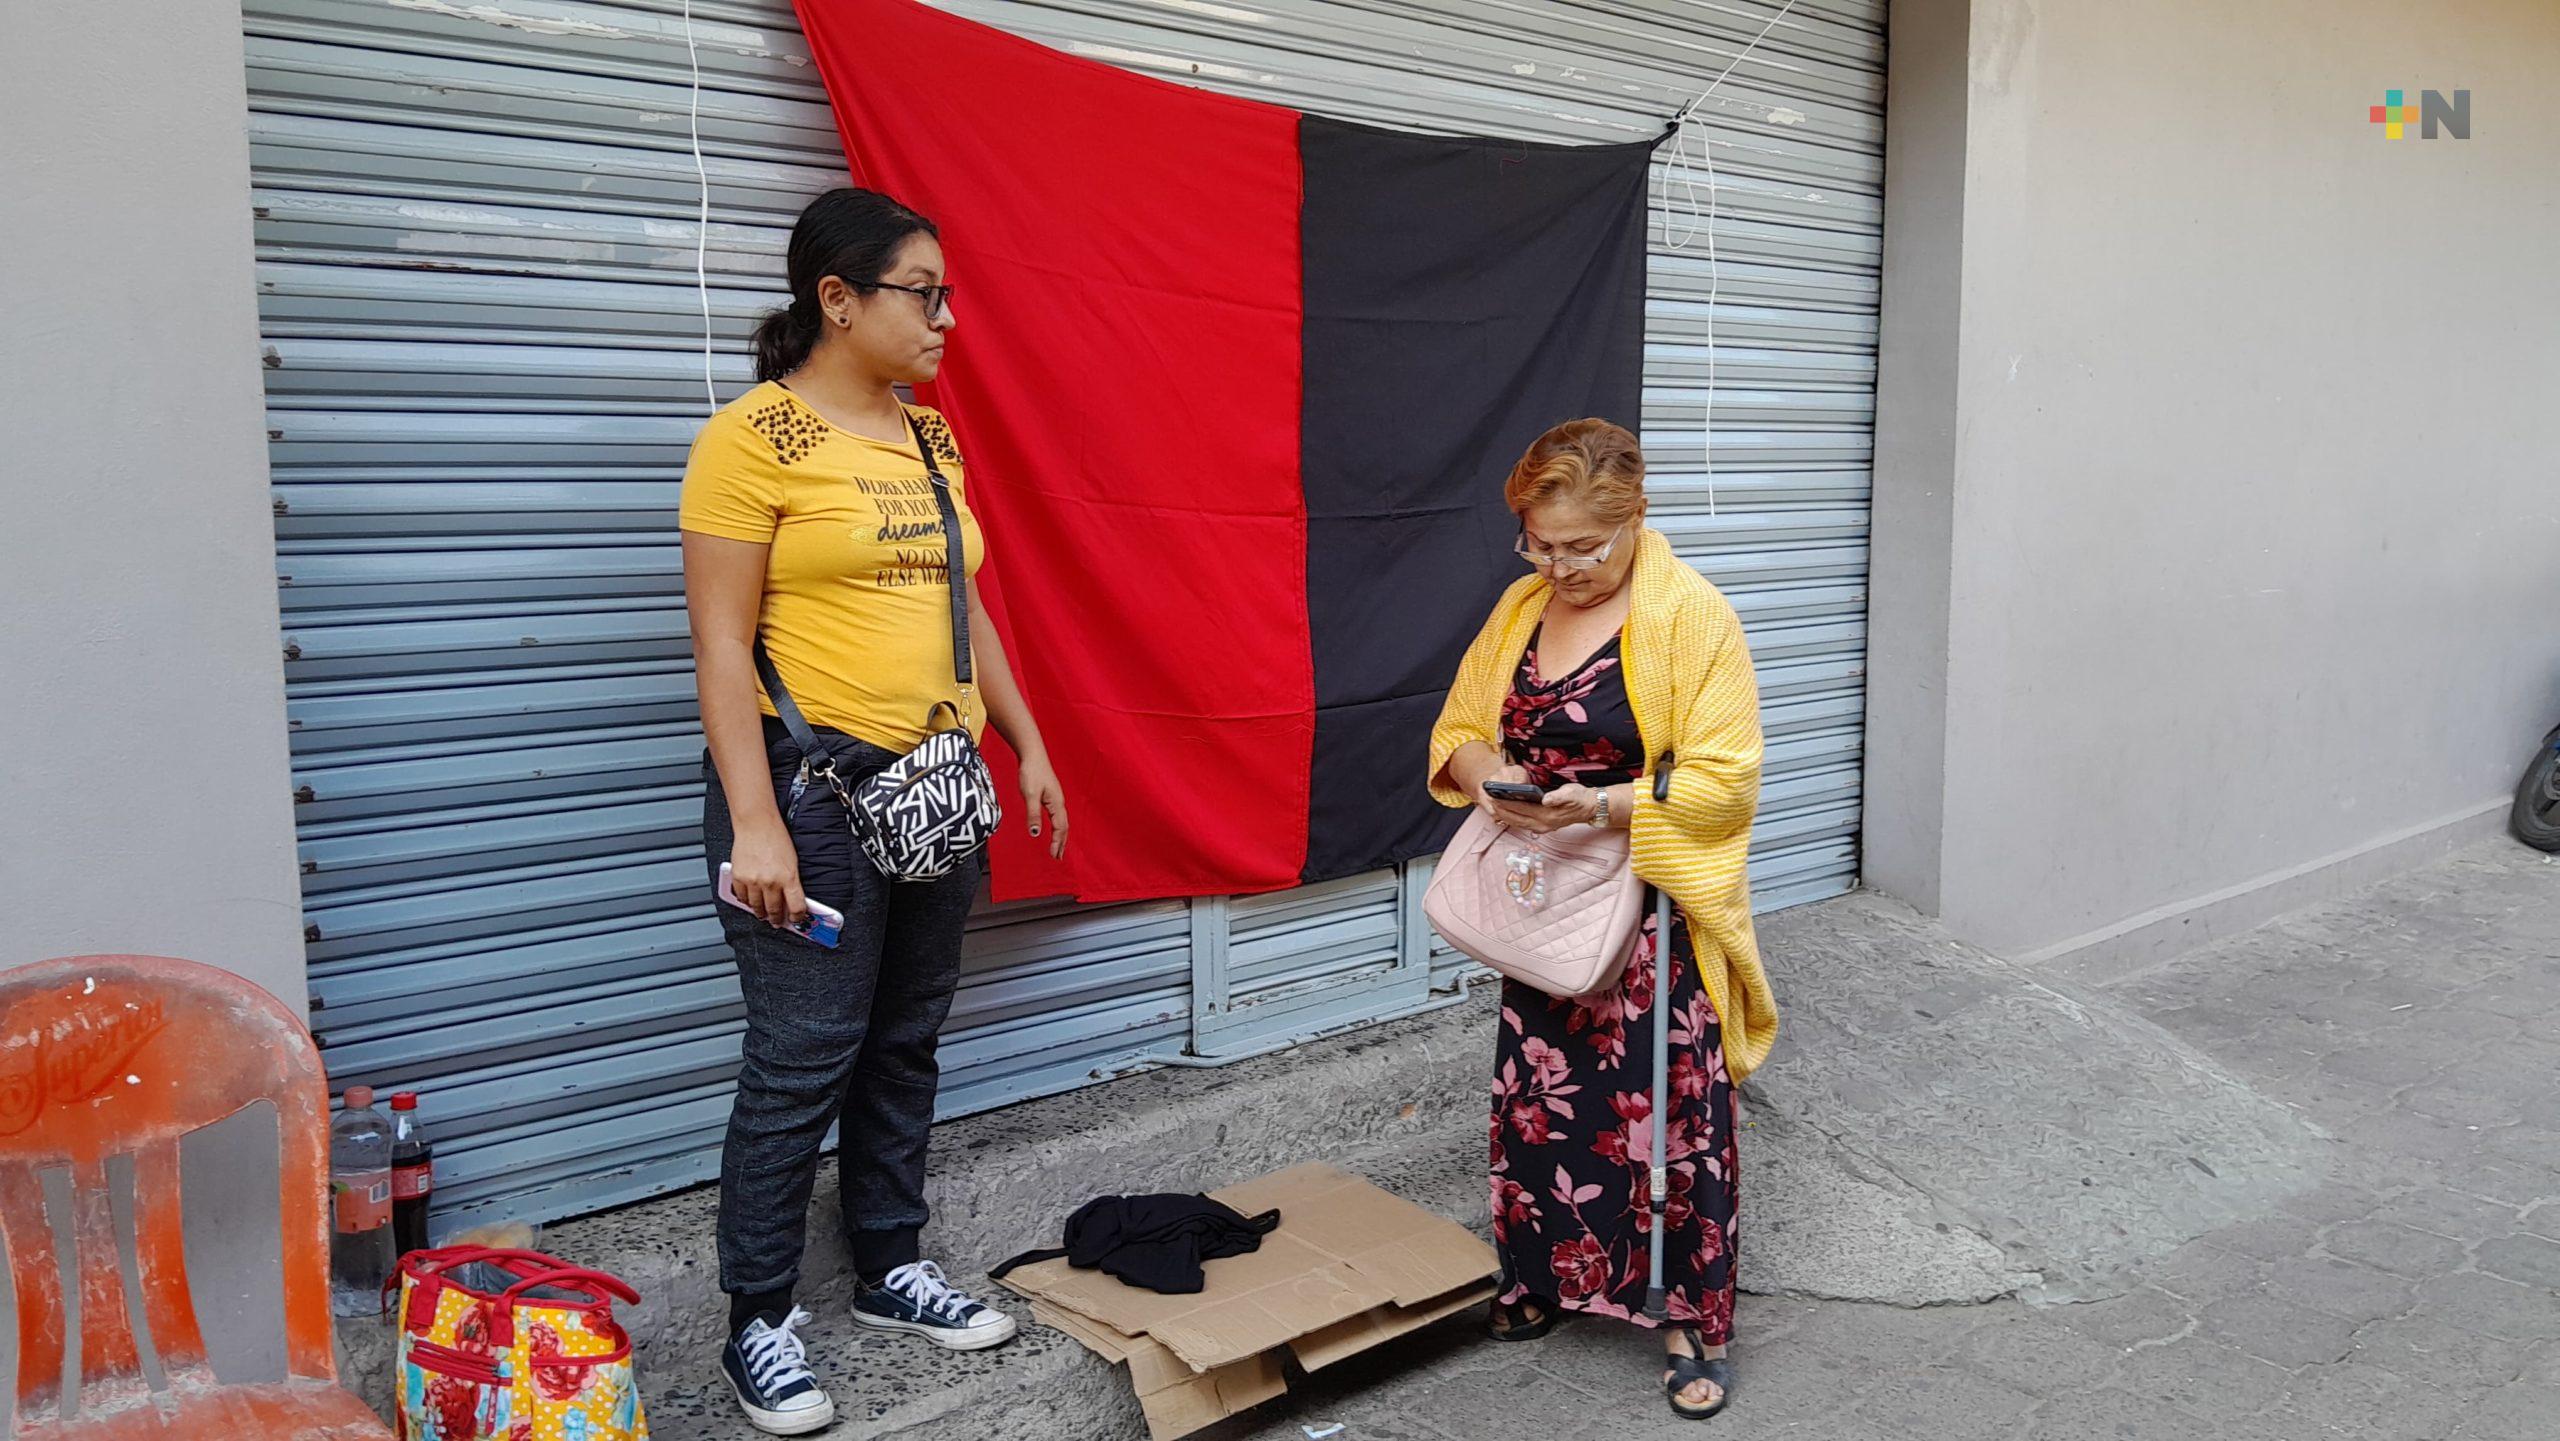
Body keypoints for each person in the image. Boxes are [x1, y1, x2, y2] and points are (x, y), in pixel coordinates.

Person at [679, 186, 1070, 1436]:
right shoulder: (753, 439)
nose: (947, 319)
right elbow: (720, 647)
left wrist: (1026, 739)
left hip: (931, 789)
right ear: (837, 300)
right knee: (802, 1055)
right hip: (811, 796)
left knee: (905, 1035)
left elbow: (965, 605)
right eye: (924, 293)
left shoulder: (930, 436)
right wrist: (755, 824)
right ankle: (758, 1319)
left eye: (947, 295)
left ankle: (891, 1264)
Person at [1427, 418, 1777, 1421]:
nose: (1560, 567)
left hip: (1647, 918)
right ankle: (1547, 1275)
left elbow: (1726, 780)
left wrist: (1604, 804)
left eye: (1583, 546)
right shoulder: (1520, 607)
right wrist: (1489, 781)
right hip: (1543, 900)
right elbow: (1458, 729)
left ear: (1635, 517)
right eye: (1540, 544)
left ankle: (1687, 1319)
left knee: (1663, 1118)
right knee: (1544, 1107)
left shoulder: (1691, 615)